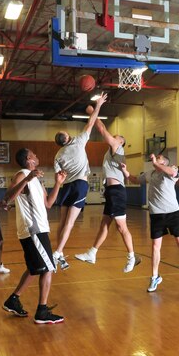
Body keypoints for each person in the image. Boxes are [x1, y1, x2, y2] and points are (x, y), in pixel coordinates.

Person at [2, 148, 67, 324]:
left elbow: (48, 204)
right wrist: (28, 179)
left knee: (34, 268)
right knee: (48, 268)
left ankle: (13, 300)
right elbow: (8, 197)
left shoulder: (37, 179)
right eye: (35, 154)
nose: (37, 156)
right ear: (29, 158)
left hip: (39, 229)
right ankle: (42, 311)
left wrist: (58, 183)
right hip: (33, 230)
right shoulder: (21, 174)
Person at [75, 111, 141, 272]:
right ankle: (92, 253)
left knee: (121, 227)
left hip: (117, 191)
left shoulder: (117, 148)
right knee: (104, 224)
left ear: (121, 142)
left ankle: (132, 257)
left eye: (118, 136)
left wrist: (94, 112)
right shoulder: (111, 153)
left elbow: (103, 129)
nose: (115, 136)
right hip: (112, 191)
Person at [123, 153, 179, 292]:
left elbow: (173, 172)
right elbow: (136, 179)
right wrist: (125, 171)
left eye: (160, 158)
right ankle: (155, 276)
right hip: (156, 214)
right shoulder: (149, 173)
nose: (156, 158)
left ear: (164, 162)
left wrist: (157, 163)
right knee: (155, 246)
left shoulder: (170, 170)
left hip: (173, 213)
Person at [52, 93, 107, 270]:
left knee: (62, 222)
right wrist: (98, 105)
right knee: (70, 223)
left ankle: (57, 249)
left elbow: (58, 176)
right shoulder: (79, 141)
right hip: (80, 185)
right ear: (67, 138)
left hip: (66, 187)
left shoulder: (58, 155)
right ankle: (58, 252)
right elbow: (91, 122)